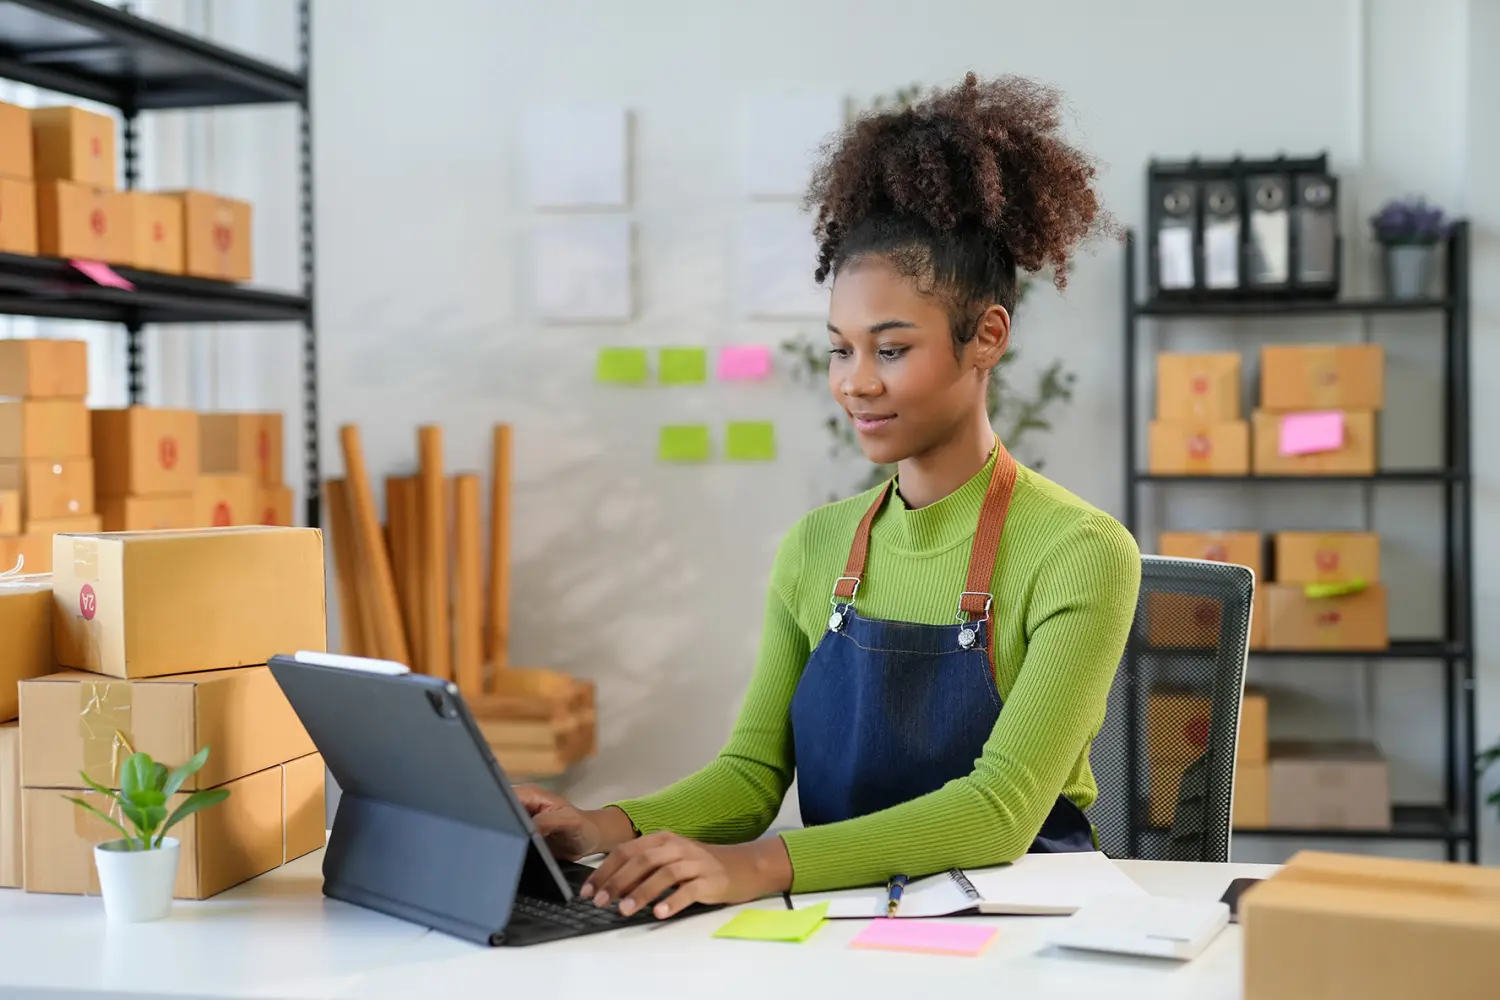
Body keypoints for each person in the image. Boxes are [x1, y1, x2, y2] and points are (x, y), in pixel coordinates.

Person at [516, 72, 1141, 922]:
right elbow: (749, 778)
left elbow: (997, 813)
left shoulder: (1080, 552)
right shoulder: (816, 547)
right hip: (847, 930)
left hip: (1019, 940)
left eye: (891, 349)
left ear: (986, 337)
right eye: (841, 350)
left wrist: (756, 868)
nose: (856, 384)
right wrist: (595, 826)